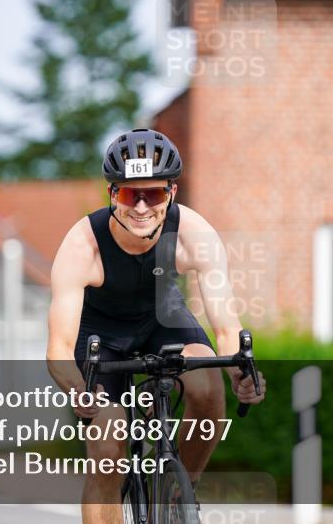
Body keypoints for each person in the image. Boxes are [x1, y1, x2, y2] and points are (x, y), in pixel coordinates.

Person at [47, 127, 266, 524]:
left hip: (163, 319)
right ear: (113, 193)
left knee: (208, 386)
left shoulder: (194, 234)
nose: (142, 206)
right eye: (131, 194)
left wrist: (240, 372)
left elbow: (225, 325)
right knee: (107, 446)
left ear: (172, 192)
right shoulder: (82, 246)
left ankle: (180, 494)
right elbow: (59, 348)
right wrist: (78, 390)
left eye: (154, 194)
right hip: (100, 335)